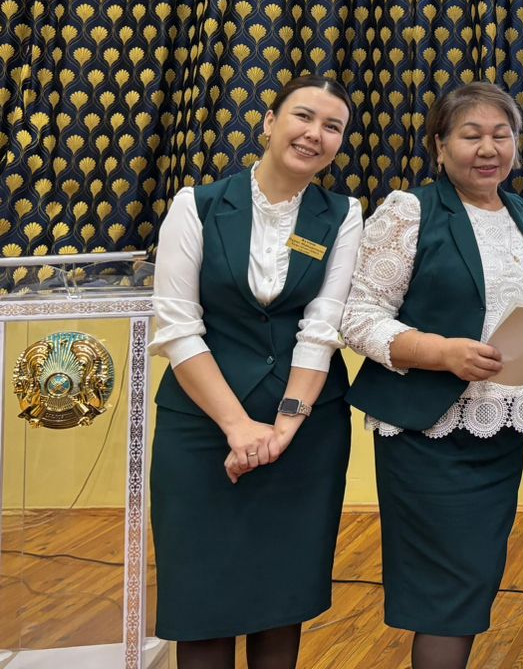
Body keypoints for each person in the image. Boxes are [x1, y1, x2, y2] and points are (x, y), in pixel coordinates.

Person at [341, 82, 523, 669]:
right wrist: (441, 352)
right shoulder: (410, 210)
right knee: (444, 590)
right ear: (439, 145)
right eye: (471, 136)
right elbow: (358, 316)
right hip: (428, 431)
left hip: (502, 431)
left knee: (474, 580)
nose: (488, 149)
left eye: (502, 135)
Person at [149, 74, 363, 669]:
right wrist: (238, 426)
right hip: (201, 425)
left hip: (304, 429)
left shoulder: (343, 215)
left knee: (280, 595)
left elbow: (322, 326)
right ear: (269, 123)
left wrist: (285, 425)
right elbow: (178, 327)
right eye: (303, 116)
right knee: (200, 597)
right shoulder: (197, 205)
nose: (315, 134)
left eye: (332, 127)